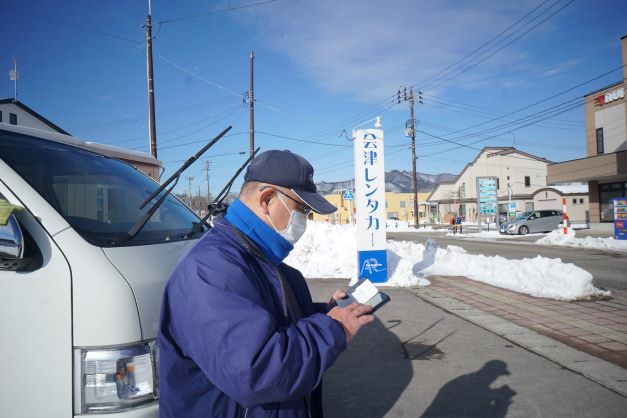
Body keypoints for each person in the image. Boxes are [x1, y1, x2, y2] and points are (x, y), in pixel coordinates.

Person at [158, 150, 375, 418]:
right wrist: (333, 327)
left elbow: (273, 322)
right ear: (267, 199)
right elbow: (257, 371)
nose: (304, 221)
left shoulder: (265, 260)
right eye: (302, 209)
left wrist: (325, 314)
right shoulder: (210, 271)